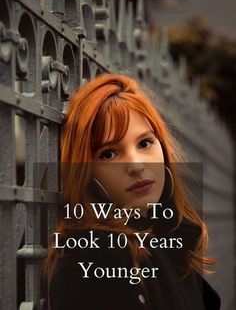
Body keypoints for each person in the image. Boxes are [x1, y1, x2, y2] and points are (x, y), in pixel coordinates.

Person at [44, 74, 221, 309]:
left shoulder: (166, 236)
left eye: (145, 143)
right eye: (109, 154)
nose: (137, 166)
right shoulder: (96, 253)